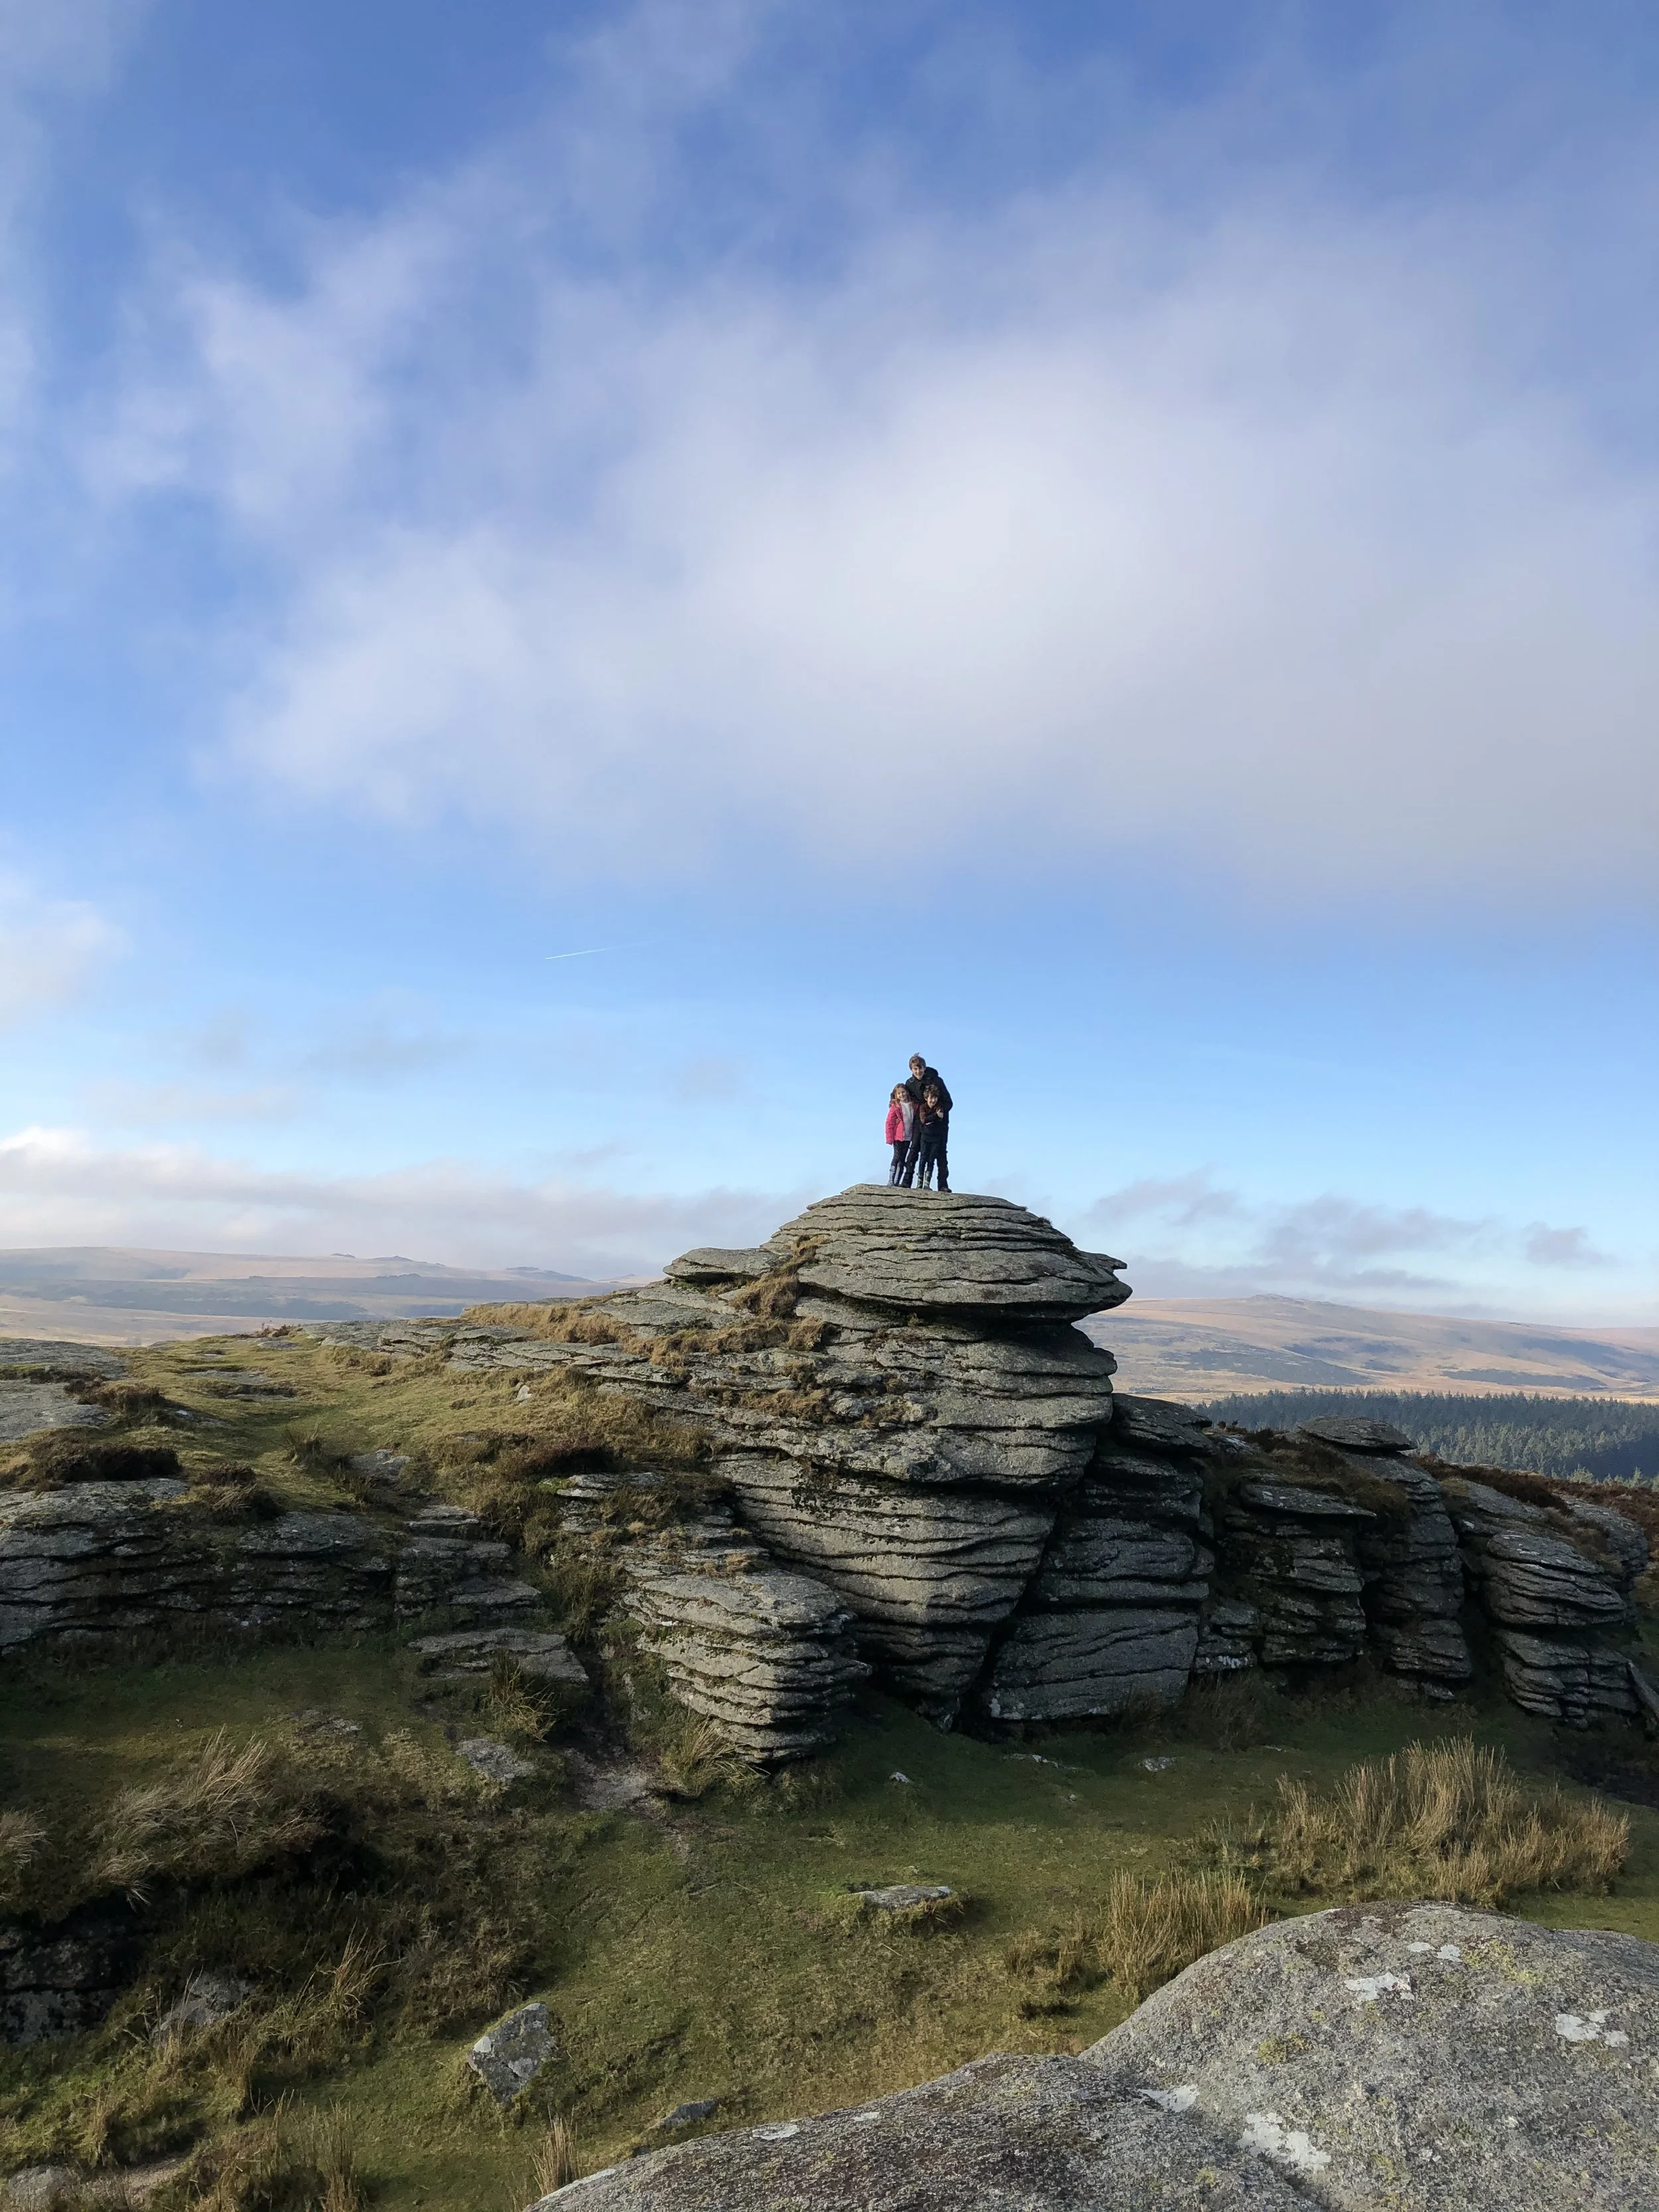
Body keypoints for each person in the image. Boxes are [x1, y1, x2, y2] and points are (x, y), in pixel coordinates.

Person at [914, 1080, 951, 1191]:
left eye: (935, 1098)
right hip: (925, 1137)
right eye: (931, 1098)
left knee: (931, 1160)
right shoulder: (923, 1107)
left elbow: (940, 1119)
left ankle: (927, 1184)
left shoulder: (939, 1107)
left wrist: (932, 1119)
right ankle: (919, 1183)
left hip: (936, 1138)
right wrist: (935, 1116)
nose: (933, 1100)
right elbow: (924, 1120)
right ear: (926, 1098)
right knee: (923, 1159)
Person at [884, 1084, 914, 1185]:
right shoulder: (895, 1107)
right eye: (899, 1093)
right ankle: (891, 1180)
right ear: (896, 1095)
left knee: (903, 1159)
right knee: (897, 1157)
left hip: (908, 1136)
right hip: (898, 1136)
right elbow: (889, 1123)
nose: (902, 1095)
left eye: (903, 1092)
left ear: (907, 1092)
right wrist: (889, 1138)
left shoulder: (913, 1105)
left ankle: (897, 1182)